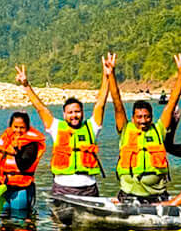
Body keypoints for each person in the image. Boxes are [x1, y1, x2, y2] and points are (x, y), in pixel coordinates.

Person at [17, 57, 111, 195]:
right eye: (70, 112)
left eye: (77, 112)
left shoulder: (92, 127)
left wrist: (106, 76)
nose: (74, 115)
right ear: (64, 114)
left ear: (82, 112)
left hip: (88, 188)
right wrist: (26, 85)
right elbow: (41, 108)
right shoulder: (56, 127)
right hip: (62, 188)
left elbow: (100, 104)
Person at [106, 55, 181, 198]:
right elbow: (117, 101)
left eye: (147, 117)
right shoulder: (126, 129)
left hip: (157, 194)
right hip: (129, 193)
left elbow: (172, 101)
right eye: (139, 117)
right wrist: (111, 74)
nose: (143, 120)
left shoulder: (158, 130)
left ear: (151, 117)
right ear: (133, 118)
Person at [0, 111, 46, 219]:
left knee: (19, 222)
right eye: (15, 127)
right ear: (10, 126)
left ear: (27, 127)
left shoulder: (31, 144)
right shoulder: (7, 140)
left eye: (22, 127)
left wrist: (16, 150)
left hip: (21, 189)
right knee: (4, 221)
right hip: (3, 187)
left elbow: (23, 166)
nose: (18, 130)